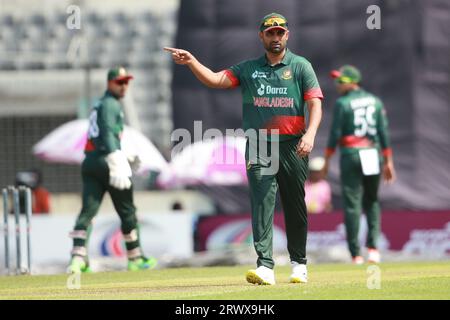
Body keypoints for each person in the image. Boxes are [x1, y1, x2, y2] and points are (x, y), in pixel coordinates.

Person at [165, 13, 323, 285]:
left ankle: (299, 264)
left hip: (293, 146)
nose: (275, 37)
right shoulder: (248, 68)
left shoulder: (300, 66)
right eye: (270, 33)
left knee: (295, 205)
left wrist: (310, 134)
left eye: (280, 33)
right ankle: (265, 267)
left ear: (287, 35)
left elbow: (315, 104)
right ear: (261, 36)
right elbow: (215, 80)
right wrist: (191, 62)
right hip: (260, 145)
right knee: (262, 203)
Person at [68, 67, 157, 273]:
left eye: (126, 82)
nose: (124, 86)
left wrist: (122, 153)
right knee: (127, 211)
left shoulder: (100, 104)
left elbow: (101, 136)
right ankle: (135, 258)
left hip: (90, 160)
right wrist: (116, 157)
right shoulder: (110, 104)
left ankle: (77, 258)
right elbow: (107, 133)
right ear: (109, 83)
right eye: (119, 82)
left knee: (87, 212)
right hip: (106, 161)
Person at [323, 65, 396, 265]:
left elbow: (335, 134)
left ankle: (355, 254)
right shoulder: (375, 101)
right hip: (373, 152)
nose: (337, 84)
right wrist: (388, 161)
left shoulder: (342, 103)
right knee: (371, 201)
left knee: (352, 205)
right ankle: (373, 250)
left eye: (341, 80)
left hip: (352, 154)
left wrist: (327, 160)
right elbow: (383, 132)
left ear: (352, 82)